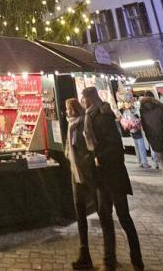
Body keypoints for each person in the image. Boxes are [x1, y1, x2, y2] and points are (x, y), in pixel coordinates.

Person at [81, 86, 143, 271]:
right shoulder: (92, 117)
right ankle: (109, 261)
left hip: (112, 174)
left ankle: (136, 259)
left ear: (89, 99)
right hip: (102, 177)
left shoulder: (102, 117)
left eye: (85, 99)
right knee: (105, 218)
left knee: (123, 217)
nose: (84, 102)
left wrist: (98, 158)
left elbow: (114, 145)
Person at [65, 97, 97, 269]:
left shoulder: (83, 123)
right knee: (80, 210)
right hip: (76, 173)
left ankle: (106, 255)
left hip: (87, 174)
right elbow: (68, 148)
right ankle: (84, 252)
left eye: (69, 109)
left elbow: (90, 147)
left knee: (96, 208)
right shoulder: (71, 125)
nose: (67, 112)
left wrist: (85, 162)